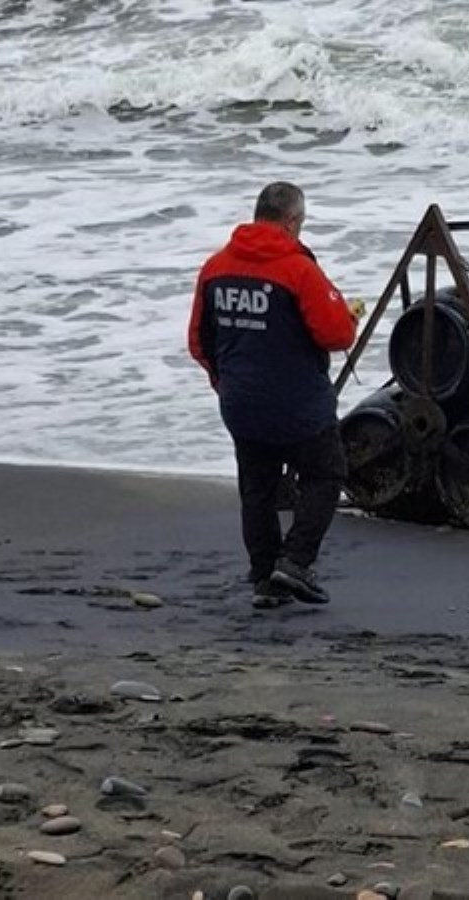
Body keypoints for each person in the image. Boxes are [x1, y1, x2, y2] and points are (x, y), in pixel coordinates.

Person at [188, 182, 360, 609]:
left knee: (258, 490)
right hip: (299, 404)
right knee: (326, 475)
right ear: (292, 221)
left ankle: (266, 578)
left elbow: (199, 340)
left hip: (242, 403)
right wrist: (350, 314)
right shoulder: (298, 270)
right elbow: (335, 333)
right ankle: (295, 562)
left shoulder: (215, 268)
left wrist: (224, 381)